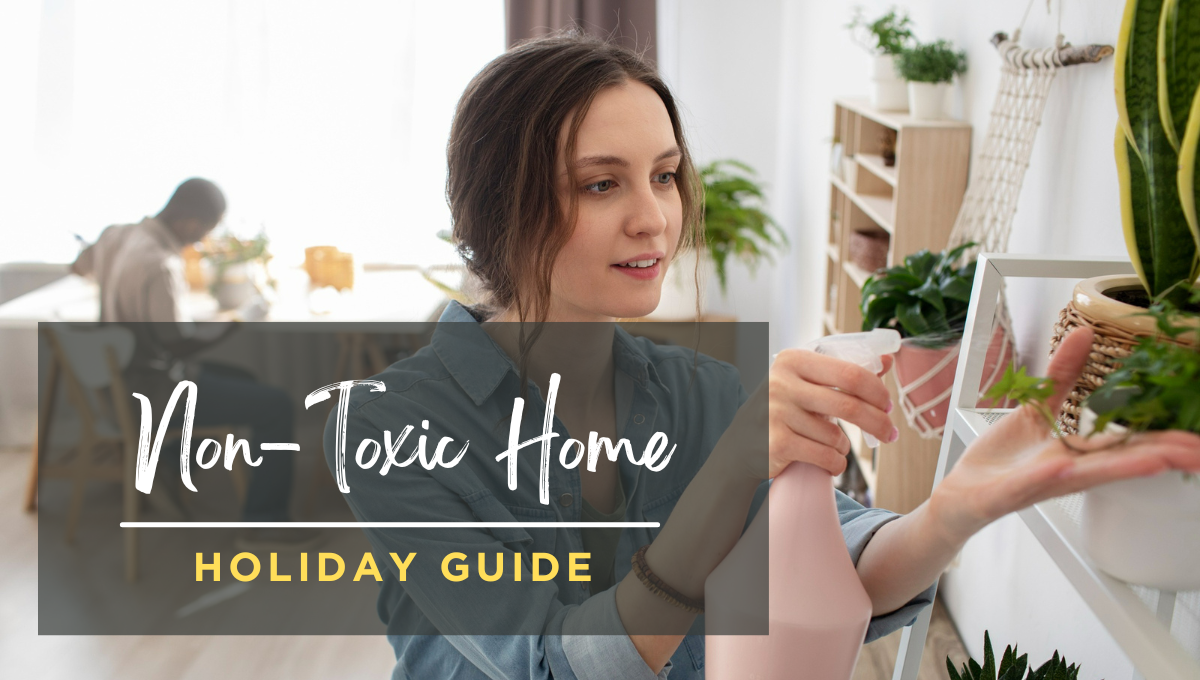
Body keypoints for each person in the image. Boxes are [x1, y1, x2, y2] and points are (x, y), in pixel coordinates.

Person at [325, 34, 1200, 679]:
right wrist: (732, 468)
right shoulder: (394, 426)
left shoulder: (697, 389)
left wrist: (949, 514)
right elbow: (557, 665)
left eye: (665, 175)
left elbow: (840, 562)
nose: (654, 218)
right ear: (495, 205)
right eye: (603, 183)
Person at [72, 178, 318, 550]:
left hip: (116, 383)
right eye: (206, 229)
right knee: (276, 404)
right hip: (153, 394)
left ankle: (169, 462)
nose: (202, 240)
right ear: (188, 221)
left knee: (245, 379)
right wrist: (238, 320)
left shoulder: (115, 235)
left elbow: (79, 267)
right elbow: (179, 344)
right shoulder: (160, 265)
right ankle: (264, 521)